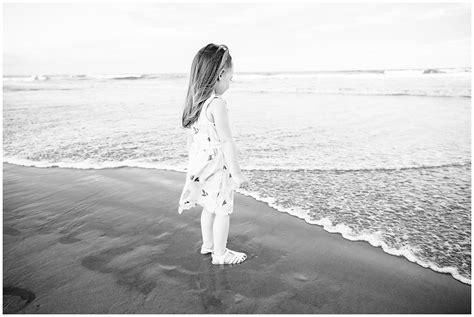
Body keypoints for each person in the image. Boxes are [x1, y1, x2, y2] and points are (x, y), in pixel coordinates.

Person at [178, 43, 249, 265]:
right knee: (223, 210)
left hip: (200, 164)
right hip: (217, 165)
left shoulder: (196, 103)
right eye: (230, 77)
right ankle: (220, 254)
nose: (230, 82)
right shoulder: (216, 104)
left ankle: (208, 245)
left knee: (209, 206)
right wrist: (236, 174)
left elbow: (192, 138)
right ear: (219, 75)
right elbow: (226, 141)